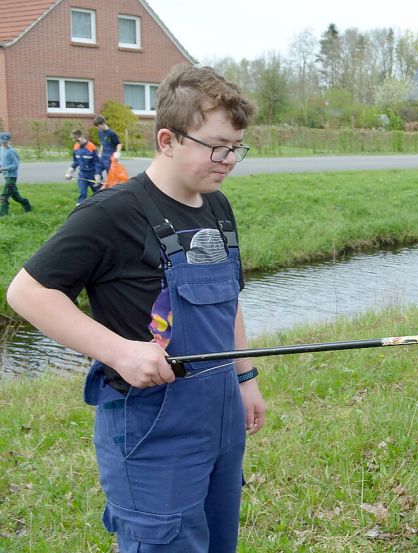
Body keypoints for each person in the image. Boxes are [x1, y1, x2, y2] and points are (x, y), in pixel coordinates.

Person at [7, 64, 266, 553]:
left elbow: (227, 301)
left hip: (222, 416)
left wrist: (245, 377)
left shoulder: (218, 206)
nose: (229, 159)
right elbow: (26, 293)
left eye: (236, 147)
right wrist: (121, 352)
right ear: (168, 140)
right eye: (217, 146)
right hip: (151, 427)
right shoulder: (111, 213)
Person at [66, 128, 104, 205]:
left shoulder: (91, 147)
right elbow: (76, 161)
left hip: (93, 175)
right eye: (74, 140)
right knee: (82, 194)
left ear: (82, 136)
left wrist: (98, 175)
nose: (76, 142)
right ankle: (79, 210)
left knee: (99, 195)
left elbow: (97, 163)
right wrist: (69, 172)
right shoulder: (76, 146)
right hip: (82, 175)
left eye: (77, 140)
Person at [0, 131, 32, 216]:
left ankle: (3, 215)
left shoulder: (12, 151)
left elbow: (16, 164)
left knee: (4, 196)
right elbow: (2, 161)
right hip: (6, 176)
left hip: (12, 177)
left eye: (6, 142)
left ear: (10, 141)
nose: (4, 144)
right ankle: (26, 203)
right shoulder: (1, 149)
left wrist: (5, 168)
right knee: (16, 197)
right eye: (2, 142)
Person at [94, 115, 122, 179]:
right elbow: (102, 144)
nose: (98, 128)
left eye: (98, 126)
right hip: (103, 157)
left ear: (103, 124)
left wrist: (117, 153)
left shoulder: (111, 133)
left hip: (110, 158)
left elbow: (118, 144)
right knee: (96, 172)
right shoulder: (100, 132)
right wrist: (100, 154)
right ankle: (99, 184)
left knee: (110, 176)